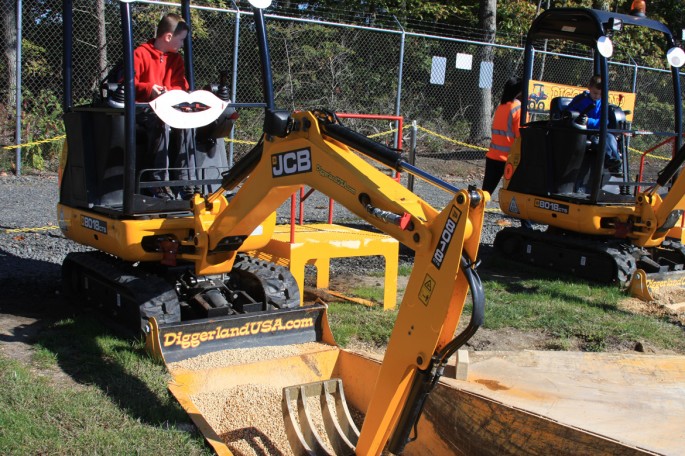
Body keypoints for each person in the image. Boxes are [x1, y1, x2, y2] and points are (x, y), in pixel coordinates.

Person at [134, 13, 197, 200]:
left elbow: (180, 86)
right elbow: (130, 83)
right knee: (161, 122)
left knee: (188, 120)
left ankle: (187, 182)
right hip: (144, 110)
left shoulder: (176, 60)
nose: (182, 44)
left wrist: (169, 93)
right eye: (181, 40)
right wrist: (149, 89)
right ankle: (158, 182)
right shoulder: (140, 54)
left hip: (170, 107)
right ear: (168, 37)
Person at [566, 74, 621, 172]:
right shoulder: (580, 99)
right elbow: (568, 113)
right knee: (596, 140)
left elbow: (604, 121)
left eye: (600, 94)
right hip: (584, 132)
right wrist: (580, 119)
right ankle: (608, 159)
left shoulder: (603, 103)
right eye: (595, 93)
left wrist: (590, 121)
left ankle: (616, 162)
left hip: (599, 129)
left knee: (610, 138)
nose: (597, 96)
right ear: (589, 88)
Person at [483, 77, 522, 197]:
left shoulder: (501, 107)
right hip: (509, 158)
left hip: (493, 155)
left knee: (485, 192)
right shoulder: (518, 107)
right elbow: (520, 135)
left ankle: (474, 212)